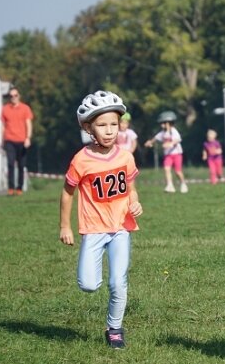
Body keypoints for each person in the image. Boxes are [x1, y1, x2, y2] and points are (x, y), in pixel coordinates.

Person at [59, 90, 143, 349]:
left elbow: (130, 185)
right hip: (93, 230)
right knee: (88, 285)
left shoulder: (125, 156)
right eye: (102, 125)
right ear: (88, 127)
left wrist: (134, 202)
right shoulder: (81, 160)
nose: (109, 131)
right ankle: (110, 318)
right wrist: (65, 226)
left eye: (114, 125)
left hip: (121, 228)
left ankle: (114, 328)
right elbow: (67, 192)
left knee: (118, 281)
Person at [144, 111, 188, 193]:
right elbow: (156, 138)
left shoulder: (173, 131)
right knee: (166, 169)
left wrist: (170, 144)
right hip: (168, 155)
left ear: (169, 123)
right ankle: (170, 185)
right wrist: (150, 142)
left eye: (163, 123)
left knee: (178, 171)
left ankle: (183, 183)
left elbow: (178, 139)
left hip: (176, 154)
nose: (162, 125)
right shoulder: (163, 133)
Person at [0, 87, 34, 195]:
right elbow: (2, 126)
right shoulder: (5, 109)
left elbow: (28, 124)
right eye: (11, 96)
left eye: (15, 95)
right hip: (9, 140)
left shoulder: (25, 108)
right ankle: (10, 187)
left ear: (19, 96)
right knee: (10, 164)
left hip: (22, 140)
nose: (13, 98)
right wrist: (2, 140)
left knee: (21, 165)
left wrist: (28, 138)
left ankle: (19, 188)